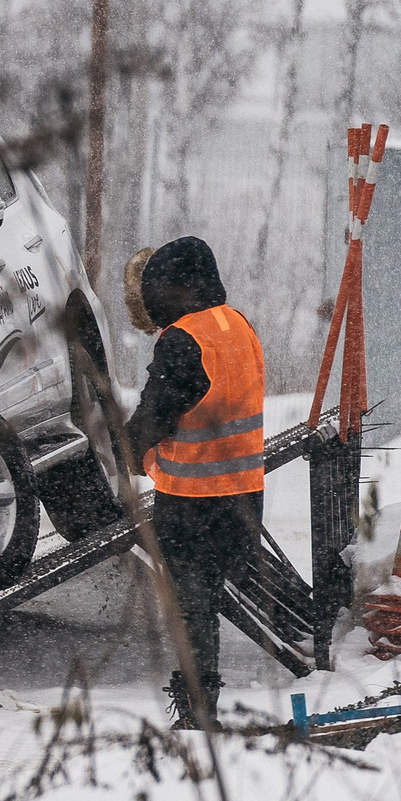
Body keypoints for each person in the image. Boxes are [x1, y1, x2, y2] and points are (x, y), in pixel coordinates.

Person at [122, 236, 265, 730]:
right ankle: (203, 704)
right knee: (204, 600)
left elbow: (156, 413)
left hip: (191, 502)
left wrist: (130, 450)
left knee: (191, 607)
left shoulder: (182, 339)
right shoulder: (237, 324)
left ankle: (198, 712)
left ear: (177, 288)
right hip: (244, 495)